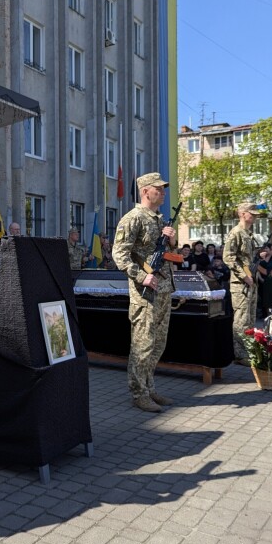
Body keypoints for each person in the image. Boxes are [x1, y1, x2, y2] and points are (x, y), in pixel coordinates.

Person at [112, 172, 176, 413]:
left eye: (163, 188)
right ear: (145, 191)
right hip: (145, 293)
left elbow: (169, 255)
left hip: (163, 289)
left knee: (158, 344)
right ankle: (139, 393)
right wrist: (141, 276)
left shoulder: (160, 220)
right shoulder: (133, 218)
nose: (163, 192)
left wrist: (171, 241)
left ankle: (149, 387)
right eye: (158, 188)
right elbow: (119, 254)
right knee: (143, 345)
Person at [222, 202, 259, 365]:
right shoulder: (236, 232)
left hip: (251, 281)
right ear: (242, 214)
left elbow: (246, 257)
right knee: (241, 320)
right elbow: (228, 257)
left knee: (250, 318)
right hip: (241, 283)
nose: (255, 216)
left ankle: (249, 350)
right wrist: (244, 276)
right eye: (252, 213)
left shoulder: (249, 234)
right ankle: (240, 354)